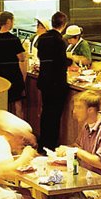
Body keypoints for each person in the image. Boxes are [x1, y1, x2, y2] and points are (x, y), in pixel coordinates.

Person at [34, 11, 70, 151]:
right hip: (57, 83)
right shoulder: (60, 41)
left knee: (46, 113)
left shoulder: (42, 38)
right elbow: (61, 63)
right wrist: (70, 61)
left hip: (44, 81)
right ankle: (51, 145)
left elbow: (41, 56)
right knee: (54, 116)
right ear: (64, 25)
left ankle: (43, 143)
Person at [0, 11, 27, 113]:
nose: (13, 23)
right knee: (17, 104)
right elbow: (21, 58)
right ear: (8, 21)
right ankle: (18, 123)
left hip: (0, 76)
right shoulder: (14, 39)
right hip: (14, 76)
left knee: (3, 104)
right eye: (13, 21)